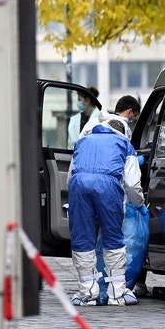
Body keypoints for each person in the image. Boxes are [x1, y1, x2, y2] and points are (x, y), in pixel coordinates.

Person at [68, 116, 144, 306]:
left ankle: (87, 293)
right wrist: (138, 203)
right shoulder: (125, 145)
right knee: (113, 238)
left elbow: (71, 174)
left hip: (78, 186)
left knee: (82, 239)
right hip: (108, 187)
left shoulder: (83, 141)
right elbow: (132, 184)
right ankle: (116, 294)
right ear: (124, 133)